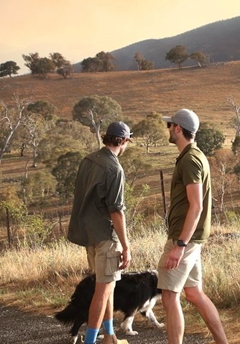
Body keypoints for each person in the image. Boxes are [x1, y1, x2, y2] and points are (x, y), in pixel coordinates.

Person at [158, 109, 228, 344]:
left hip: (184, 238)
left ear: (178, 129)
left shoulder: (189, 159)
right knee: (194, 293)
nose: (168, 129)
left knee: (169, 296)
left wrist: (179, 245)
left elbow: (196, 206)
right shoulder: (194, 156)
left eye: (170, 126)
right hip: (192, 238)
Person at [66, 121, 133, 344]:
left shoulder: (88, 160)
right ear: (123, 141)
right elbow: (116, 211)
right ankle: (91, 341)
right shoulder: (115, 169)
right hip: (106, 237)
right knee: (102, 291)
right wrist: (126, 246)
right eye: (127, 142)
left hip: (89, 236)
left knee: (108, 286)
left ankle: (110, 335)